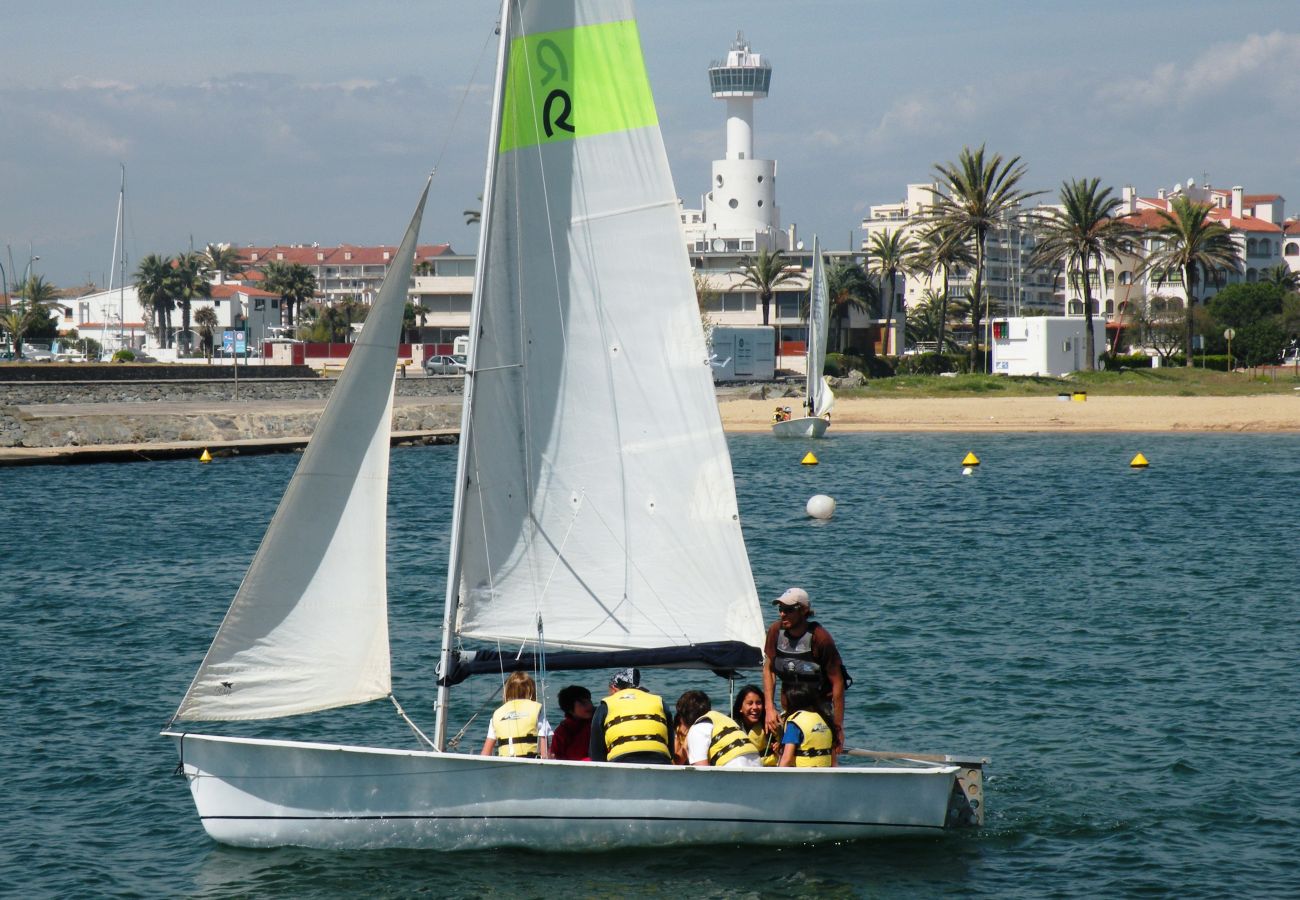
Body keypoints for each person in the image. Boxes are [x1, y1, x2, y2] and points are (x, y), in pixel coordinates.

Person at [763, 587, 847, 752]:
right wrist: (769, 708)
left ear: (804, 611)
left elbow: (838, 682)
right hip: (789, 710)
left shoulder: (820, 638)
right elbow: (769, 669)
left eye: (788, 610)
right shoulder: (775, 631)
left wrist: (837, 728)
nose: (782, 614)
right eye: (780, 609)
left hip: (819, 711)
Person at [588, 667, 672, 764]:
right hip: (660, 760)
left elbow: (596, 755)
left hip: (621, 763)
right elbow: (671, 749)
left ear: (614, 688)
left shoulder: (606, 705)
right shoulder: (659, 701)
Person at [675, 690, 761, 768]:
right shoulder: (723, 719)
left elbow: (701, 770)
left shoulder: (697, 729)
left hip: (734, 766)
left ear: (684, 716)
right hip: (757, 762)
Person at [481, 671, 552, 759]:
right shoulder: (537, 712)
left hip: (505, 767)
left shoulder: (497, 715)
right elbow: (545, 754)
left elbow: (485, 754)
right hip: (531, 766)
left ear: (507, 691)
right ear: (531, 691)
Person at [777, 682, 838, 767]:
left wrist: (779, 777)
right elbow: (834, 761)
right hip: (825, 775)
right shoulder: (825, 720)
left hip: (803, 776)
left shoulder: (795, 722)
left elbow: (787, 759)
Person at [731, 683, 777, 766]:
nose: (755, 707)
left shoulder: (771, 726)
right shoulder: (731, 727)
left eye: (759, 703)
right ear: (740, 708)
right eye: (750, 703)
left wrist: (779, 746)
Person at [550, 684, 594, 761]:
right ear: (570, 709)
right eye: (583, 703)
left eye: (589, 701)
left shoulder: (598, 721)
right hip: (573, 769)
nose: (589, 705)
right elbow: (556, 756)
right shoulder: (563, 731)